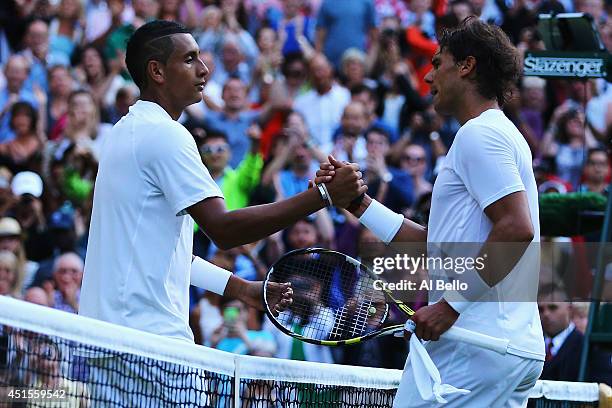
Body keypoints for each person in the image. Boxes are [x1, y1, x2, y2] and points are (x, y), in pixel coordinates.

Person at [79, 16, 363, 380]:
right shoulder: (165, 135)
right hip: (148, 347)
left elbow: (169, 252)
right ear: (157, 71)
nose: (204, 69)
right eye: (189, 59)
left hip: (108, 345)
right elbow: (224, 229)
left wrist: (243, 289)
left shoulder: (124, 132)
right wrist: (323, 196)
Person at [317, 19, 544, 406]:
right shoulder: (497, 133)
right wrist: (358, 205)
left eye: (438, 63)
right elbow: (436, 244)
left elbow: (515, 229)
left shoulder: (480, 134)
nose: (427, 76)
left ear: (467, 66)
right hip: (505, 348)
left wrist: (450, 306)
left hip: (475, 345)